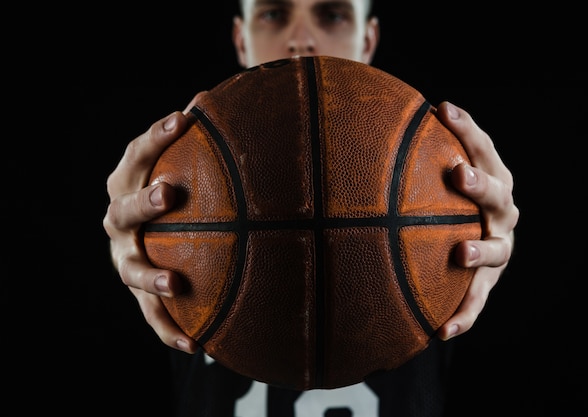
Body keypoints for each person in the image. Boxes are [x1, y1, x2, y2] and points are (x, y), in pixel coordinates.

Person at [103, 0, 519, 416]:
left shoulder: (445, 178)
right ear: (240, 40)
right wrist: (132, 245)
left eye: (332, 14)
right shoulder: (174, 177)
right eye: (273, 14)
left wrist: (489, 239)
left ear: (368, 39)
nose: (300, 39)